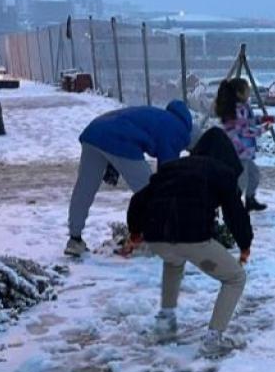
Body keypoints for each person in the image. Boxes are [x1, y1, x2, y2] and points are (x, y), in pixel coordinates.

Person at [126, 126, 254, 355]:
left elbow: (138, 199)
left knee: (173, 260)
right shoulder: (221, 172)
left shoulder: (172, 167)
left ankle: (166, 322)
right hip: (193, 239)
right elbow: (234, 213)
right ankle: (214, 339)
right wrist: (245, 244)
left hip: (157, 237)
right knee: (235, 277)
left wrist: (135, 232)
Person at [65, 100, 193, 257]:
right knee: (151, 193)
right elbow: (168, 172)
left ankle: (74, 239)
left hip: (93, 133)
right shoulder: (178, 129)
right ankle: (155, 240)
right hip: (120, 142)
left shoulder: (157, 114)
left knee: (84, 188)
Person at [216, 78, 274, 212]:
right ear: (239, 93)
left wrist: (262, 119)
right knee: (242, 180)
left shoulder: (242, 107)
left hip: (244, 150)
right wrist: (263, 129)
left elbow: (247, 122)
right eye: (247, 89)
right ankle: (233, 206)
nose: (250, 91)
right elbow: (244, 131)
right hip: (238, 149)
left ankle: (250, 200)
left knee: (253, 175)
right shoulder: (236, 109)